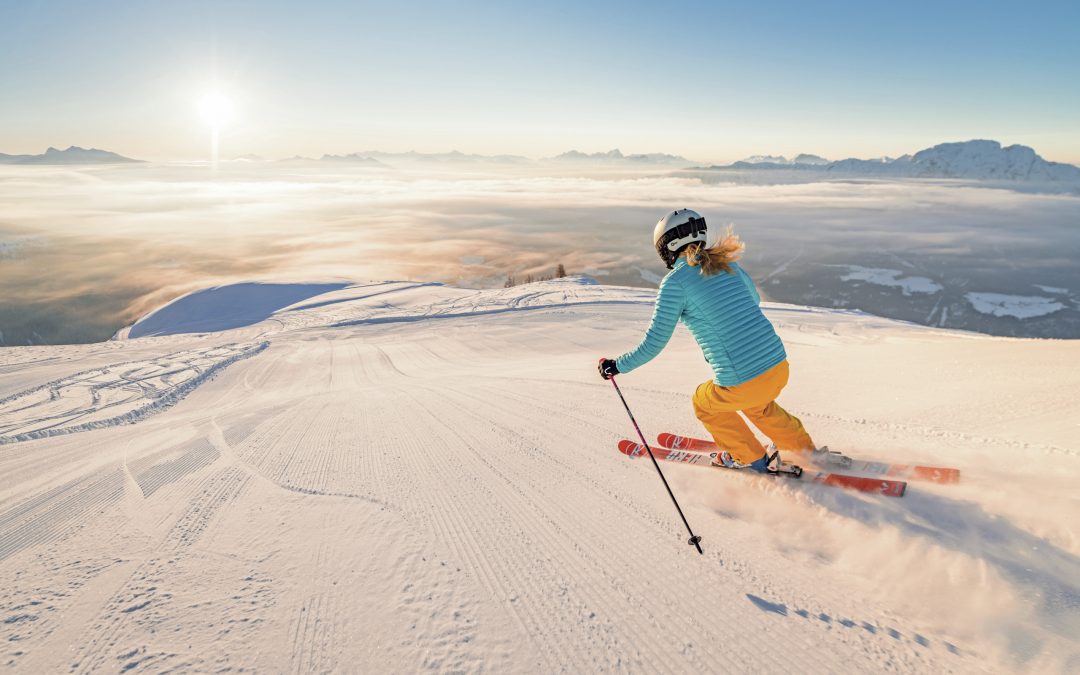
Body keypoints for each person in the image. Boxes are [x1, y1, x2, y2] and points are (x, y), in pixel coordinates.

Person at [598, 209, 816, 472]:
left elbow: (654, 343)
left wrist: (617, 366)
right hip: (778, 367)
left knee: (704, 403)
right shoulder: (728, 265)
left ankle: (749, 458)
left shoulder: (675, 283)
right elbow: (753, 301)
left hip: (744, 380)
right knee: (758, 406)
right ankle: (804, 450)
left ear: (667, 247)